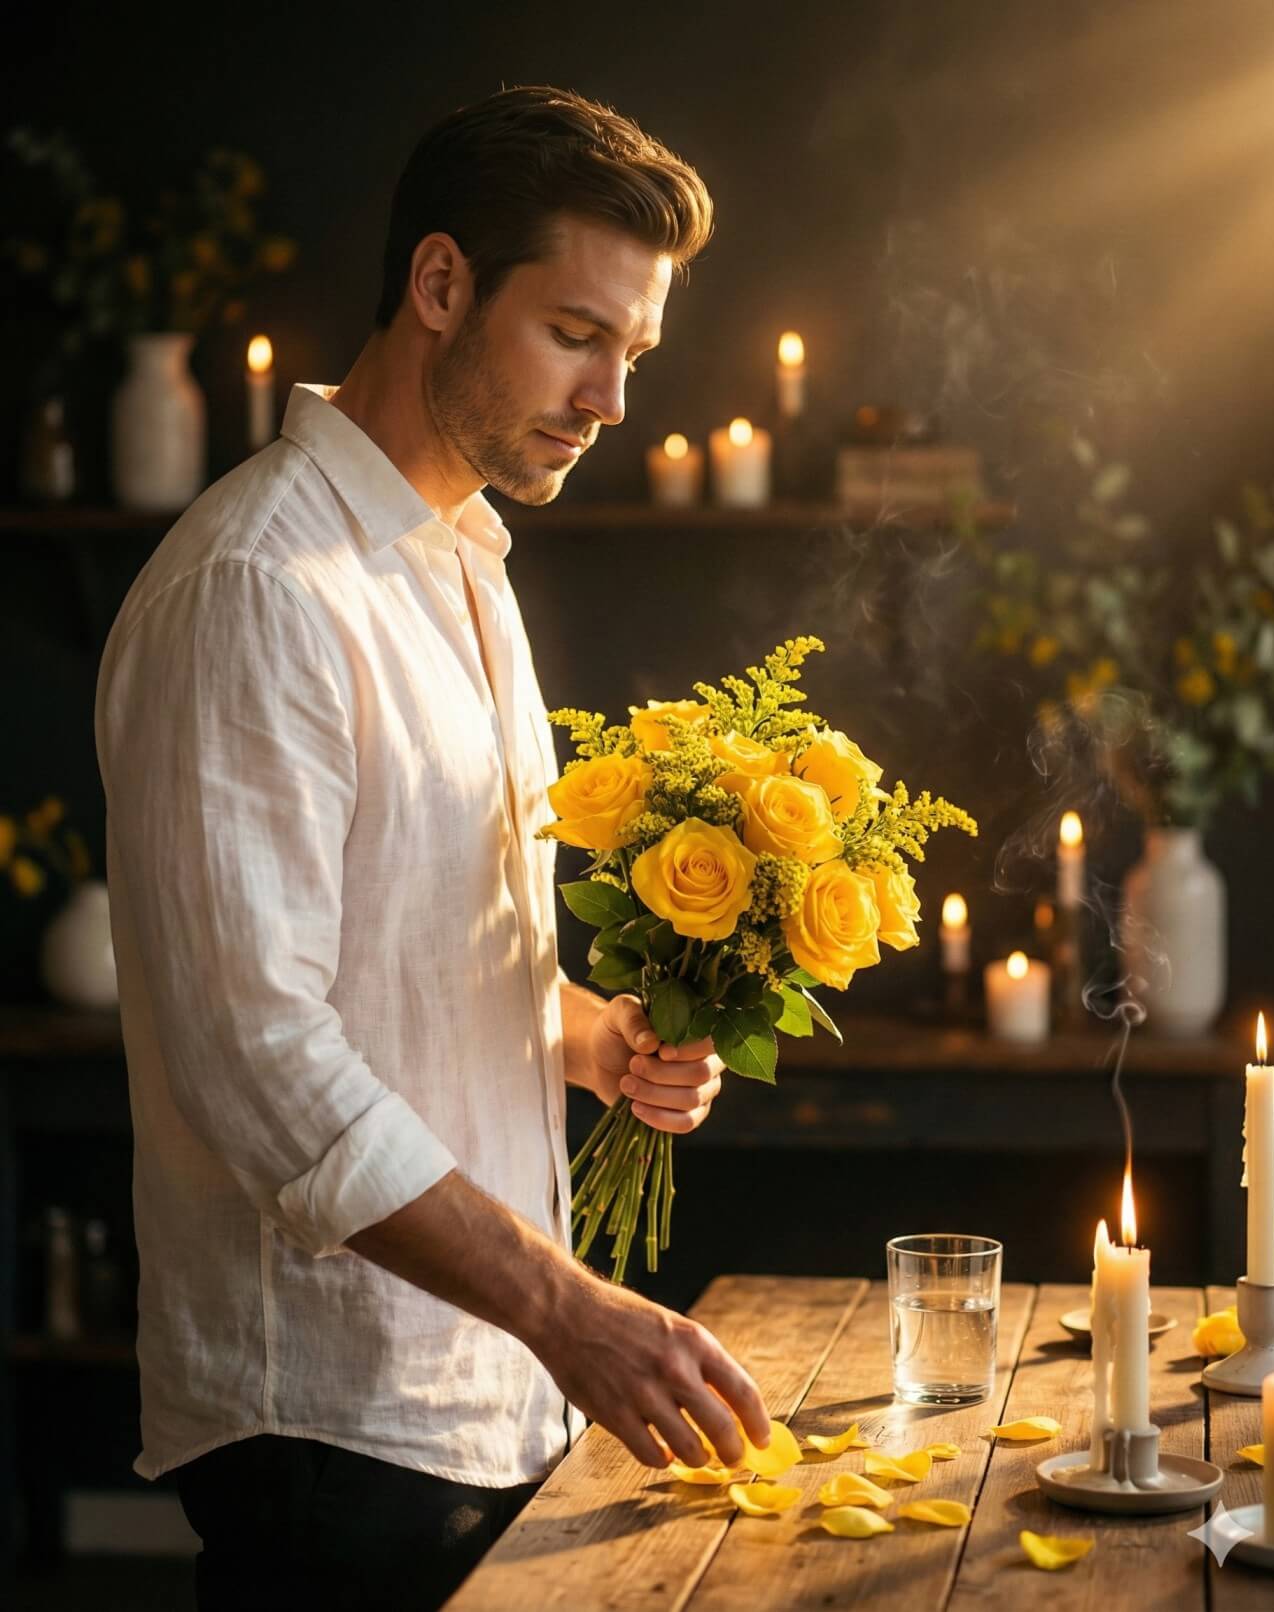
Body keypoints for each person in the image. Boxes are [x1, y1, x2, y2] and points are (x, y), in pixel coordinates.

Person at [94, 85, 770, 1611]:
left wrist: (590, 1036)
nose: (611, 400)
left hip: (480, 1402)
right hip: (332, 1428)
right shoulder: (258, 586)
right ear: (443, 284)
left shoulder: (464, 563)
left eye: (635, 355)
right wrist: (570, 1307)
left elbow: (404, 961)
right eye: (577, 335)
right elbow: (259, 1052)